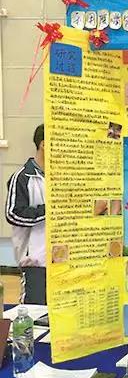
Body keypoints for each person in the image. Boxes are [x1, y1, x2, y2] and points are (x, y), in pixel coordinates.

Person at [5, 124, 46, 305]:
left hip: (63, 259)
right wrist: (50, 210)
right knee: (35, 311)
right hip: (35, 262)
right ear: (44, 144)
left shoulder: (63, 177)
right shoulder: (22, 176)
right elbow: (13, 214)